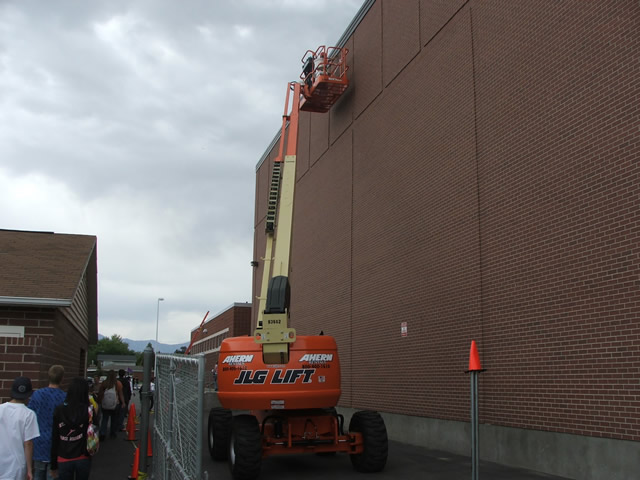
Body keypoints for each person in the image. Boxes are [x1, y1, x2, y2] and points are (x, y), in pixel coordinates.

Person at [50, 377, 93, 480]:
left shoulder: (59, 410)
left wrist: (53, 464)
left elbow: (55, 437)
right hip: (83, 455)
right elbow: (94, 431)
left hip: (63, 456)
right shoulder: (88, 410)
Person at [28, 365, 66, 480]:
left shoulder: (37, 394)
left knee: (38, 473)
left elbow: (30, 414)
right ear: (61, 378)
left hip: (39, 440)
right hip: (56, 442)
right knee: (53, 474)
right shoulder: (64, 397)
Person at [0, 376, 40, 480]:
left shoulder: (0, 409)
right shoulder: (29, 414)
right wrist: (29, 469)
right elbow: (28, 443)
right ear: (28, 395)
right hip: (16, 466)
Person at [97, 370, 125, 441]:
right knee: (114, 419)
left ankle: (103, 433)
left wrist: (99, 401)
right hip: (115, 404)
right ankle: (113, 433)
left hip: (105, 403)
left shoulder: (104, 383)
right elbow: (121, 394)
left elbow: (100, 393)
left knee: (105, 419)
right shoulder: (118, 384)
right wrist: (123, 403)